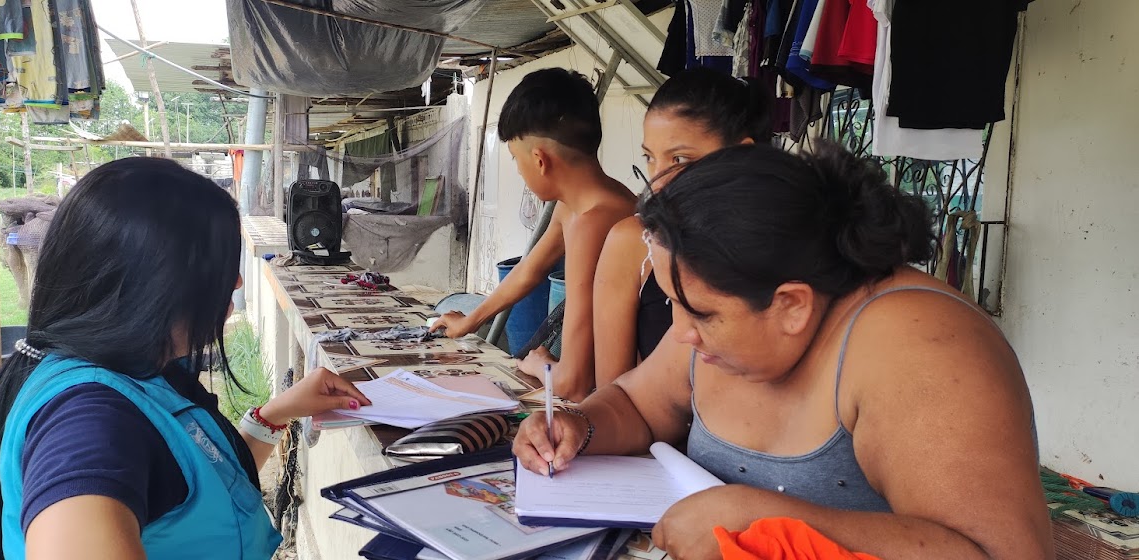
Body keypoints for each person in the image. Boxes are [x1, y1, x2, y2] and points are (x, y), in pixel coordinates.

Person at [514, 144, 1053, 559]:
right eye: (673, 304)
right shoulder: (726, 308)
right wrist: (579, 426)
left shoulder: (920, 346)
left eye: (699, 312)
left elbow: (997, 555)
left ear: (792, 305)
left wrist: (759, 522)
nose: (681, 333)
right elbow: (636, 404)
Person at [0, 158, 372, 560]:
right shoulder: (89, 421)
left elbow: (196, 487)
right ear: (158, 281)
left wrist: (276, 415)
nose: (236, 282)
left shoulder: (136, 371)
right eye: (220, 266)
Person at [516, 67, 773, 389]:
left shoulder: (787, 246)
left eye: (679, 160)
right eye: (650, 158)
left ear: (741, 155)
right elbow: (617, 398)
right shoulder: (636, 243)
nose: (658, 182)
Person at [431, 68, 636, 402]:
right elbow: (530, 269)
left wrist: (538, 365)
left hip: (622, 398)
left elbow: (573, 383)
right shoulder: (577, 205)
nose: (518, 170)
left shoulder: (594, 222)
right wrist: (471, 320)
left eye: (515, 159)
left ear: (540, 160)